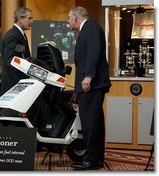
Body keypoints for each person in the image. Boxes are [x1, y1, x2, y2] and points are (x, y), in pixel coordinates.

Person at [67, 6, 111, 170]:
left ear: (76, 18)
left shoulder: (90, 26)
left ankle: (91, 160)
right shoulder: (88, 28)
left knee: (90, 123)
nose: (68, 22)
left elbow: (94, 51)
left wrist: (88, 76)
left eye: (69, 18)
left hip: (92, 85)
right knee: (94, 123)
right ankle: (95, 158)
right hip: (91, 86)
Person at [0, 7, 33, 94]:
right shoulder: (12, 36)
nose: (32, 21)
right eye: (29, 18)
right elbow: (10, 61)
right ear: (20, 19)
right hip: (12, 86)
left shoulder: (20, 34)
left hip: (18, 84)